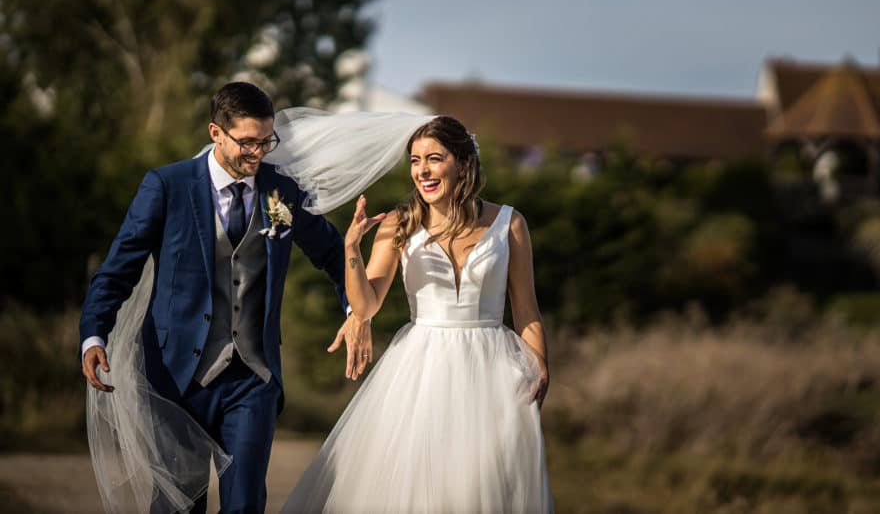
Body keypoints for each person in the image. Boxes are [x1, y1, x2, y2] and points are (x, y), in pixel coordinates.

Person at [79, 82, 432, 514]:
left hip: (252, 379)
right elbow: (119, 269)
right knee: (178, 505)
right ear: (215, 133)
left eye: (267, 142)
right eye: (247, 142)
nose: (258, 152)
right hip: (175, 379)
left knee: (245, 504)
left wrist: (355, 312)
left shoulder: (280, 191)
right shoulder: (167, 186)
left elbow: (331, 254)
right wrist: (94, 334)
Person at [281, 115, 554, 513]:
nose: (422, 170)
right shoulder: (398, 224)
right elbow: (366, 305)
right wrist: (352, 249)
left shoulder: (510, 223)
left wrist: (540, 366)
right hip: (422, 369)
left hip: (493, 372)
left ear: (462, 162)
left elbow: (526, 309)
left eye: (434, 158)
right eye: (414, 160)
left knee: (482, 486)